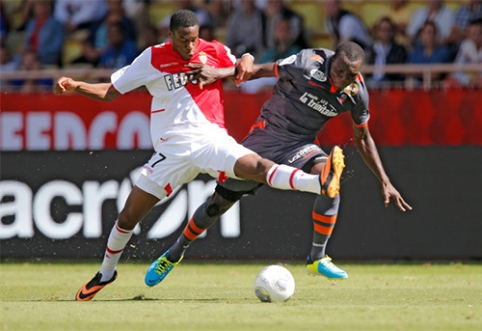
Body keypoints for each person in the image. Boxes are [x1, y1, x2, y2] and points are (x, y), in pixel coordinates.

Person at [54, 10, 343, 301]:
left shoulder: (214, 50)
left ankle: (318, 183)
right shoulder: (151, 58)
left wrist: (244, 60)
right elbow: (110, 92)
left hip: (209, 140)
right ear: (170, 36)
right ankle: (106, 273)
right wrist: (77, 86)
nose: (190, 46)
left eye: (194, 39)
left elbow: (245, 66)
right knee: (128, 217)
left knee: (256, 166)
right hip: (171, 150)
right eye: (183, 40)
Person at [144, 41, 412, 288]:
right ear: (332, 61)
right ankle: (174, 253)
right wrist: (220, 73)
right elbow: (261, 70)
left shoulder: (356, 94)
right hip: (264, 139)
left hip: (301, 145)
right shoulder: (307, 62)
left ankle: (317, 258)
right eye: (339, 71)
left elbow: (363, 139)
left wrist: (385, 181)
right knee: (217, 205)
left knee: (330, 181)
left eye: (350, 75)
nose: (342, 79)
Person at [366, 17, 408, 88]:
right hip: (372, 81)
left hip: (390, 82)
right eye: (383, 30)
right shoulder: (371, 49)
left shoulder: (399, 50)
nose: (385, 33)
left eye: (388, 30)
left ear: (392, 32)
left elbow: (399, 72)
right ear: (378, 32)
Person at [23, 0, 64, 66]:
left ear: (48, 7)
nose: (40, 8)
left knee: (30, 61)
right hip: (29, 56)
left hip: (47, 56)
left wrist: (38, 53)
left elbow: (57, 46)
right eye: (38, 6)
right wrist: (26, 51)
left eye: (43, 5)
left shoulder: (56, 24)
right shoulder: (31, 24)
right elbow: (27, 43)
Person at [445, 18, 482, 88]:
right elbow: (457, 68)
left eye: (479, 33)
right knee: (449, 82)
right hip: (469, 79)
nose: (476, 37)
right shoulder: (465, 45)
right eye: (473, 33)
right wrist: (467, 80)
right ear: (468, 34)